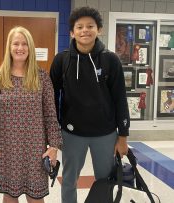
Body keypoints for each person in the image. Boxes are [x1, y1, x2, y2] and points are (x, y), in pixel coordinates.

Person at [50, 7, 130, 203]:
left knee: (104, 181)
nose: (85, 30)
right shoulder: (62, 60)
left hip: (105, 133)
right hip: (72, 133)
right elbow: (51, 98)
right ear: (72, 32)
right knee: (69, 181)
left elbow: (120, 98)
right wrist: (54, 131)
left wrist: (123, 136)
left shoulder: (110, 60)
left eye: (90, 26)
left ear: (99, 29)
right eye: (79, 27)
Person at [0, 26, 62, 203]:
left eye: (24, 44)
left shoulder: (41, 76)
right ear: (9, 48)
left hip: (35, 148)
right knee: (10, 195)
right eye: (16, 43)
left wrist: (54, 147)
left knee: (35, 196)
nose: (20, 48)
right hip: (7, 147)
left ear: (30, 48)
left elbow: (51, 114)